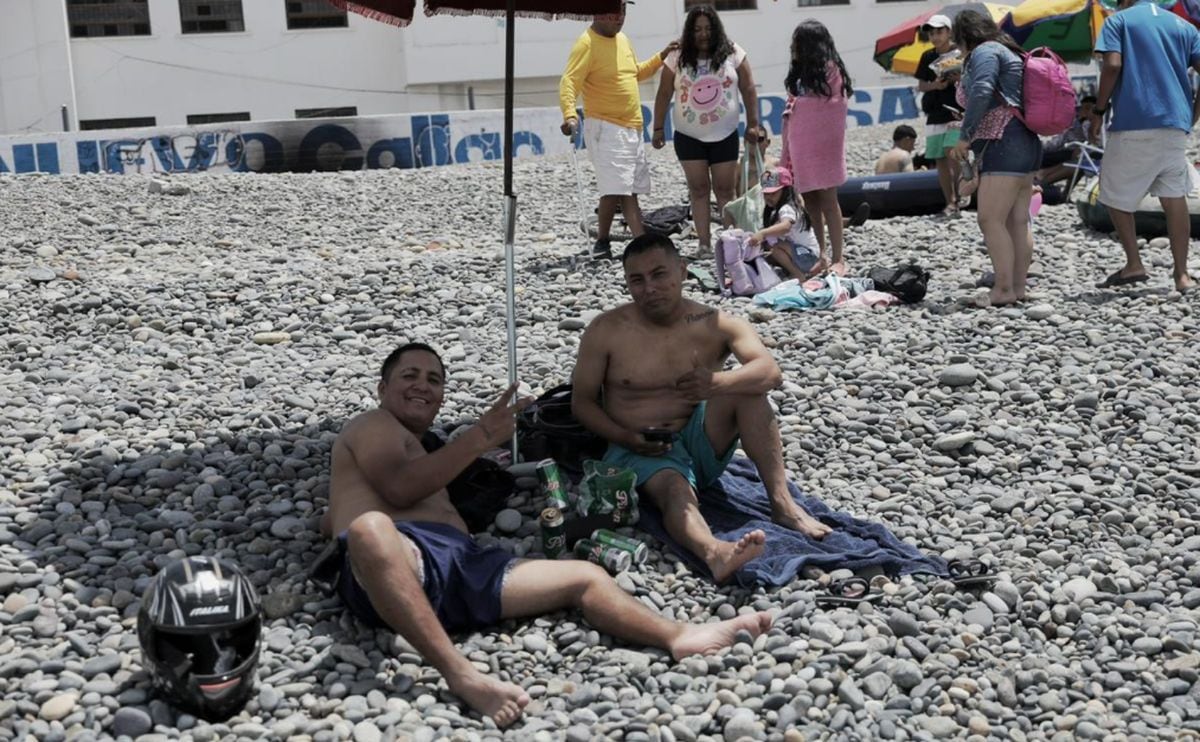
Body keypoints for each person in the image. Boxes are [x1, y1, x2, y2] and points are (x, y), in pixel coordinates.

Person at [323, 342, 773, 728]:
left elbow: (346, 509)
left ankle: (678, 635)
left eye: (434, 379)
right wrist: (480, 435)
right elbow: (399, 487)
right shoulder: (373, 424)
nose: (423, 384)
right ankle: (461, 673)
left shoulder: (423, 445)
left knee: (584, 576)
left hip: (462, 567)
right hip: (403, 564)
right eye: (409, 375)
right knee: (369, 529)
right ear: (382, 389)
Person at [571, 233, 833, 584]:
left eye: (659, 274)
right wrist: (626, 437)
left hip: (702, 441)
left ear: (683, 270)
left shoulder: (714, 323)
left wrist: (716, 384)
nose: (649, 288)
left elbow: (770, 372)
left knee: (749, 390)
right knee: (675, 490)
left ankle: (782, 503)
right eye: (637, 280)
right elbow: (581, 402)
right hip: (642, 450)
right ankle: (715, 552)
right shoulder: (607, 331)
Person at [1093, 0, 1200, 292]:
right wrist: (1193, 113)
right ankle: (1181, 275)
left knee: (1112, 195)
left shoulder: (1118, 21)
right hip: (1175, 124)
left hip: (1134, 121)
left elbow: (1112, 65)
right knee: (1173, 196)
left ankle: (1134, 264)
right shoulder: (1184, 26)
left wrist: (1099, 111)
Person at [560, 2, 678, 260]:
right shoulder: (587, 43)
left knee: (624, 188)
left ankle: (604, 241)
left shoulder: (623, 39)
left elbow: (634, 73)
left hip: (632, 127)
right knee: (621, 191)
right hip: (606, 125)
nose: (620, 18)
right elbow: (570, 80)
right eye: (614, 13)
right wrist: (570, 114)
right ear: (597, 12)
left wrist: (661, 57)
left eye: (623, 12)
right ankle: (641, 245)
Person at [949, 11, 1042, 306]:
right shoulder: (1011, 51)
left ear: (964, 35)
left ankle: (1002, 288)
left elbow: (983, 90)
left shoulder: (985, 51)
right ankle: (1017, 288)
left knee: (990, 219)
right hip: (1025, 140)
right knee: (1018, 220)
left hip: (1003, 140)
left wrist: (965, 135)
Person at [651, 5, 760, 257]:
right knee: (698, 189)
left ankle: (731, 242)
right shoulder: (676, 56)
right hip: (689, 137)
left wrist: (753, 123)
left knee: (725, 190)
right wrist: (658, 128)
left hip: (725, 134)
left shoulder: (733, 52)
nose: (703, 34)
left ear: (717, 29)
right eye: (697, 29)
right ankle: (704, 244)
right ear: (690, 31)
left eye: (708, 29)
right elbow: (664, 93)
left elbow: (749, 88)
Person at [781, 20, 852, 277]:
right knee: (809, 200)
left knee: (829, 200)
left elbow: (835, 106)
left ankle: (838, 256)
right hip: (802, 144)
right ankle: (818, 253)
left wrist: (803, 107)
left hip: (824, 146)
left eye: (797, 42)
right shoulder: (799, 74)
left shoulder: (831, 70)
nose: (793, 48)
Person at [915, 14, 965, 216]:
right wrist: (936, 84)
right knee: (940, 160)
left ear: (949, 32)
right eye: (931, 32)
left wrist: (957, 79)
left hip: (956, 112)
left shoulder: (961, 53)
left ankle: (961, 198)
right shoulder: (927, 56)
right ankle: (950, 201)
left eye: (939, 31)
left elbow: (970, 80)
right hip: (934, 113)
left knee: (952, 154)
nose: (935, 36)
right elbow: (921, 86)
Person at [749, 166, 824, 280]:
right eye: (766, 194)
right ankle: (798, 269)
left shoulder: (787, 208)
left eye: (773, 193)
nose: (768, 197)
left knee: (777, 249)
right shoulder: (778, 210)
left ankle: (799, 275)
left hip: (809, 257)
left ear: (785, 191)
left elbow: (786, 227)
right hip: (803, 254)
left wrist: (763, 233)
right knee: (769, 255)